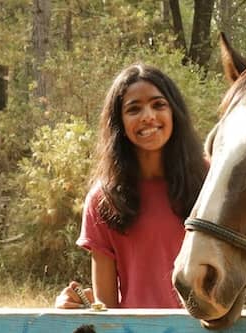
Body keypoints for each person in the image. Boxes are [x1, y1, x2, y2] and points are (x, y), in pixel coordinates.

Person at [54, 63, 207, 308]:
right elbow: (107, 308)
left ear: (174, 113)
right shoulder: (103, 199)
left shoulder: (210, 180)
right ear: (120, 123)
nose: (148, 116)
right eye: (134, 109)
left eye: (158, 105)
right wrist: (75, 306)